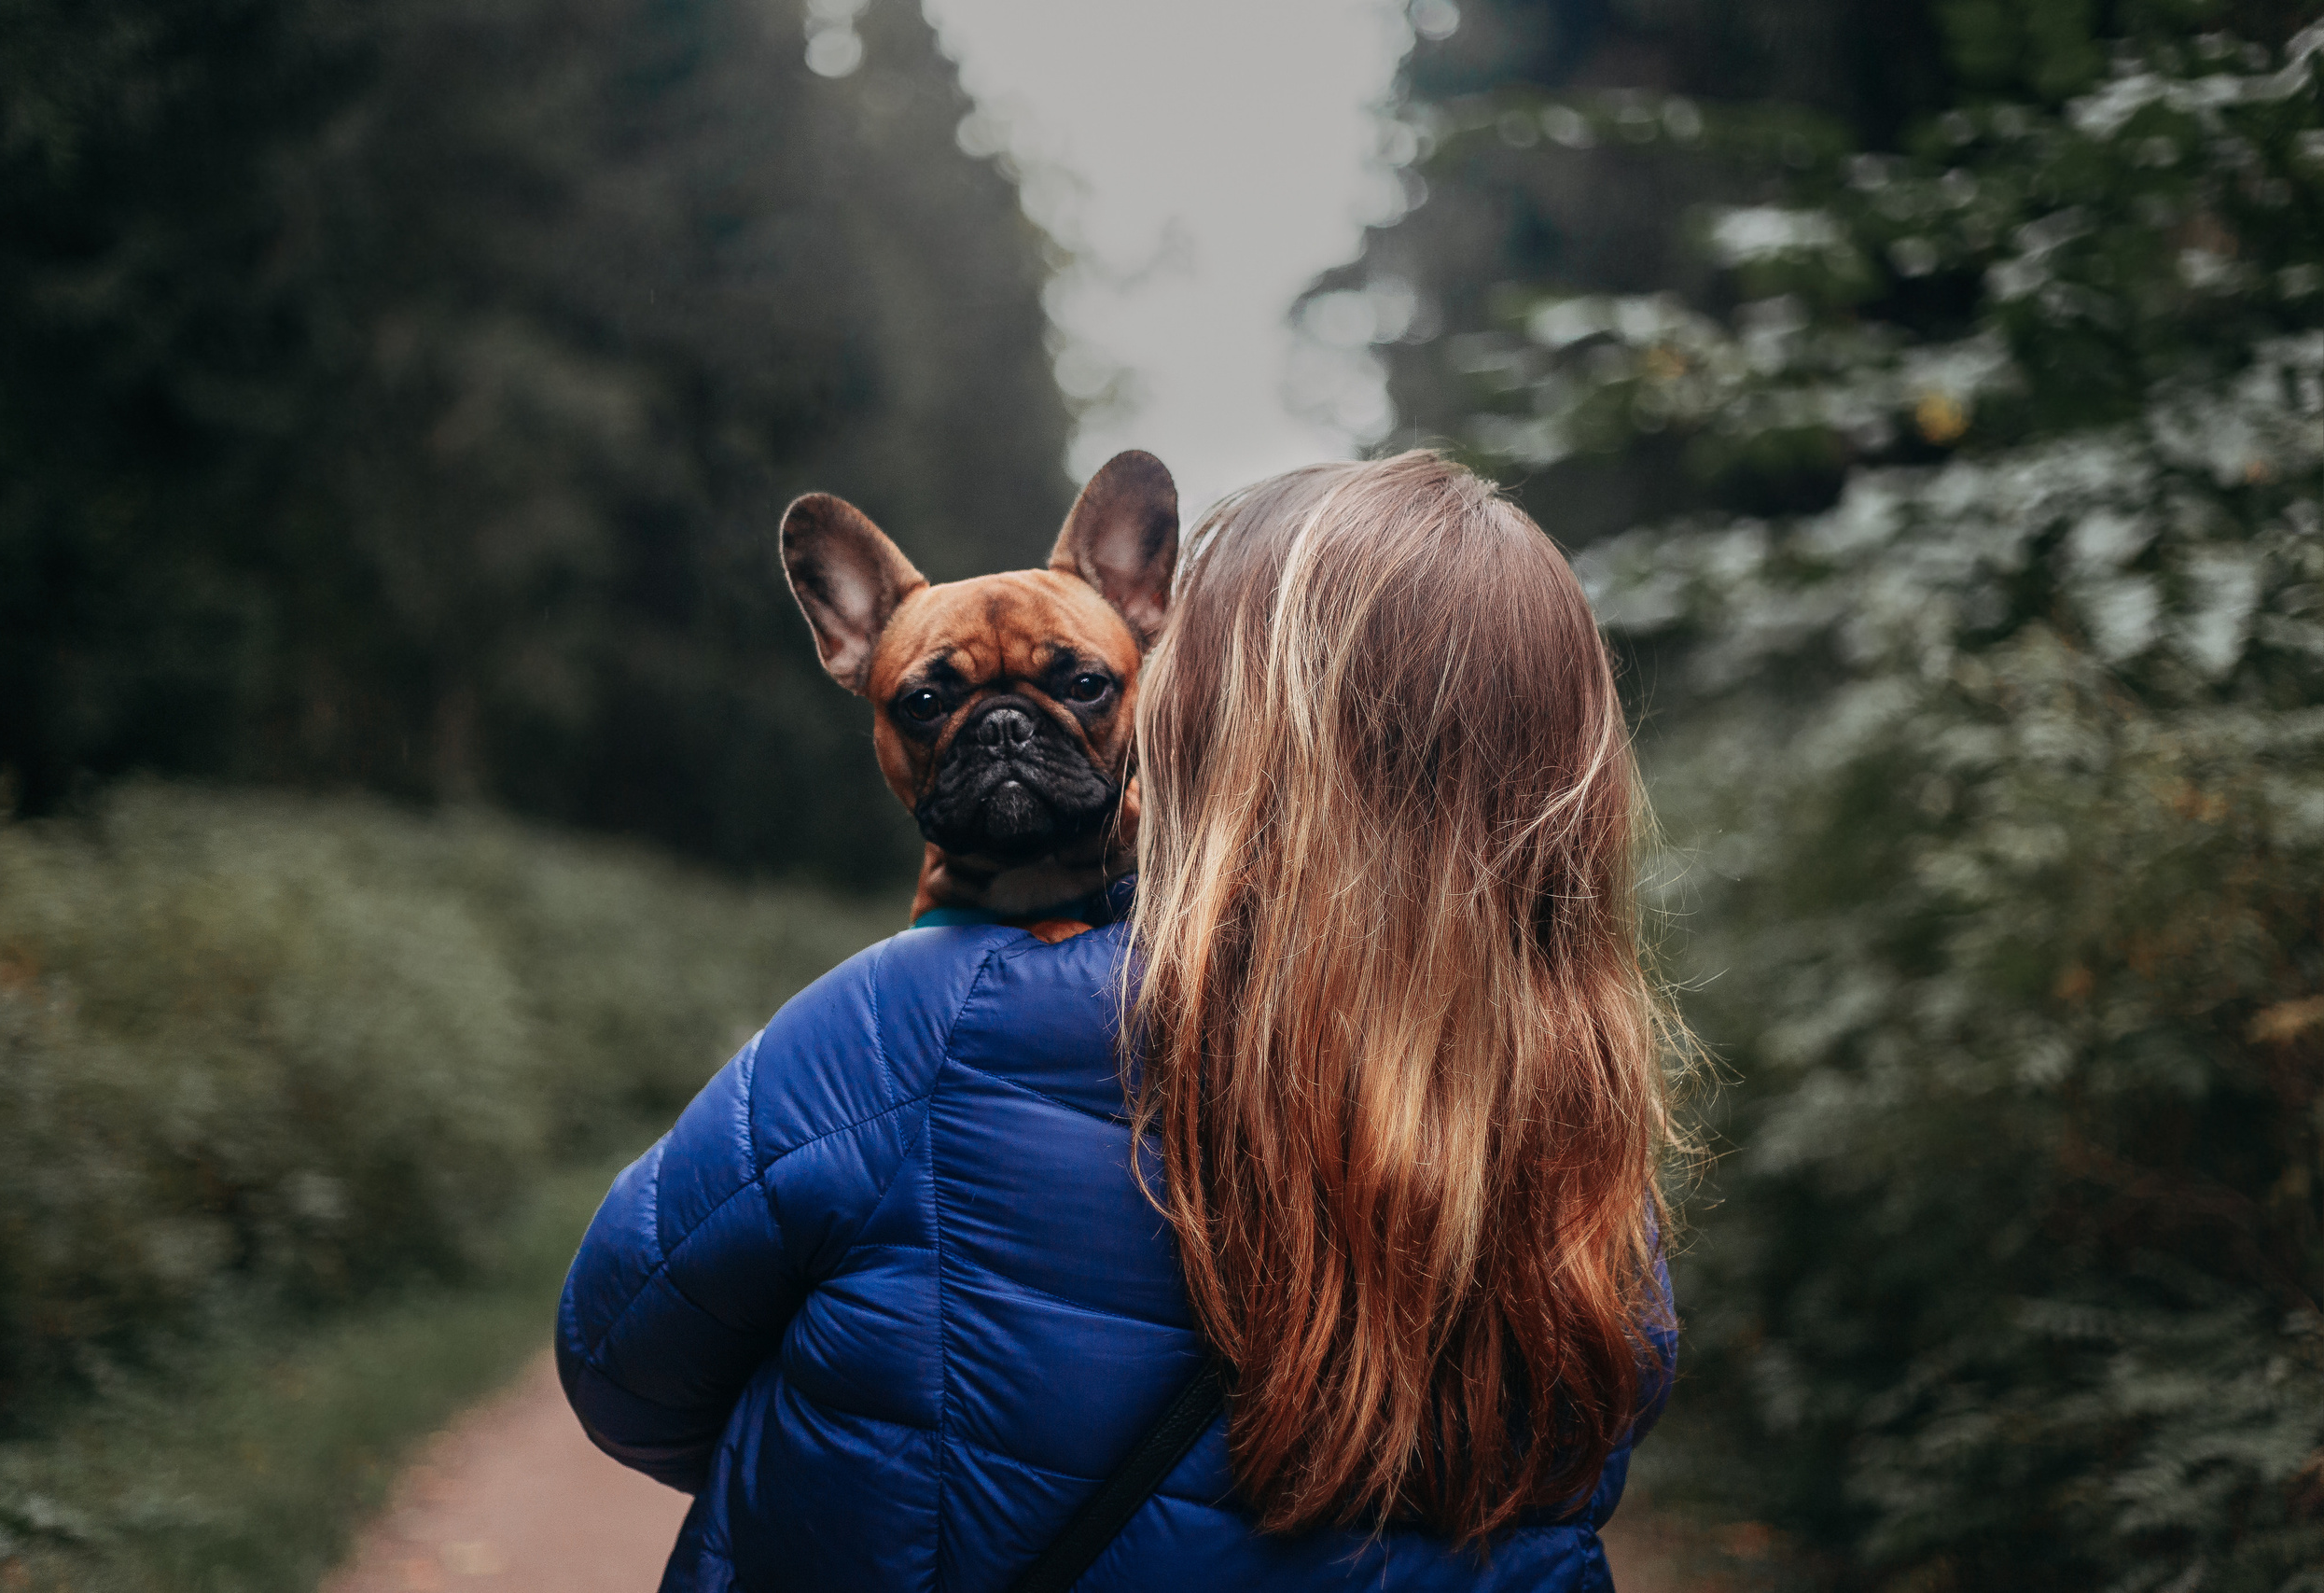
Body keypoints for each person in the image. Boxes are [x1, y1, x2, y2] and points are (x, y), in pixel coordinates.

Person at [556, 452, 1682, 1592]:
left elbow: (620, 1361)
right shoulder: (1588, 1145)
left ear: (1196, 703)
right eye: (937, 704)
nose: (1000, 733)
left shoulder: (910, 1032)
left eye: (1085, 688)